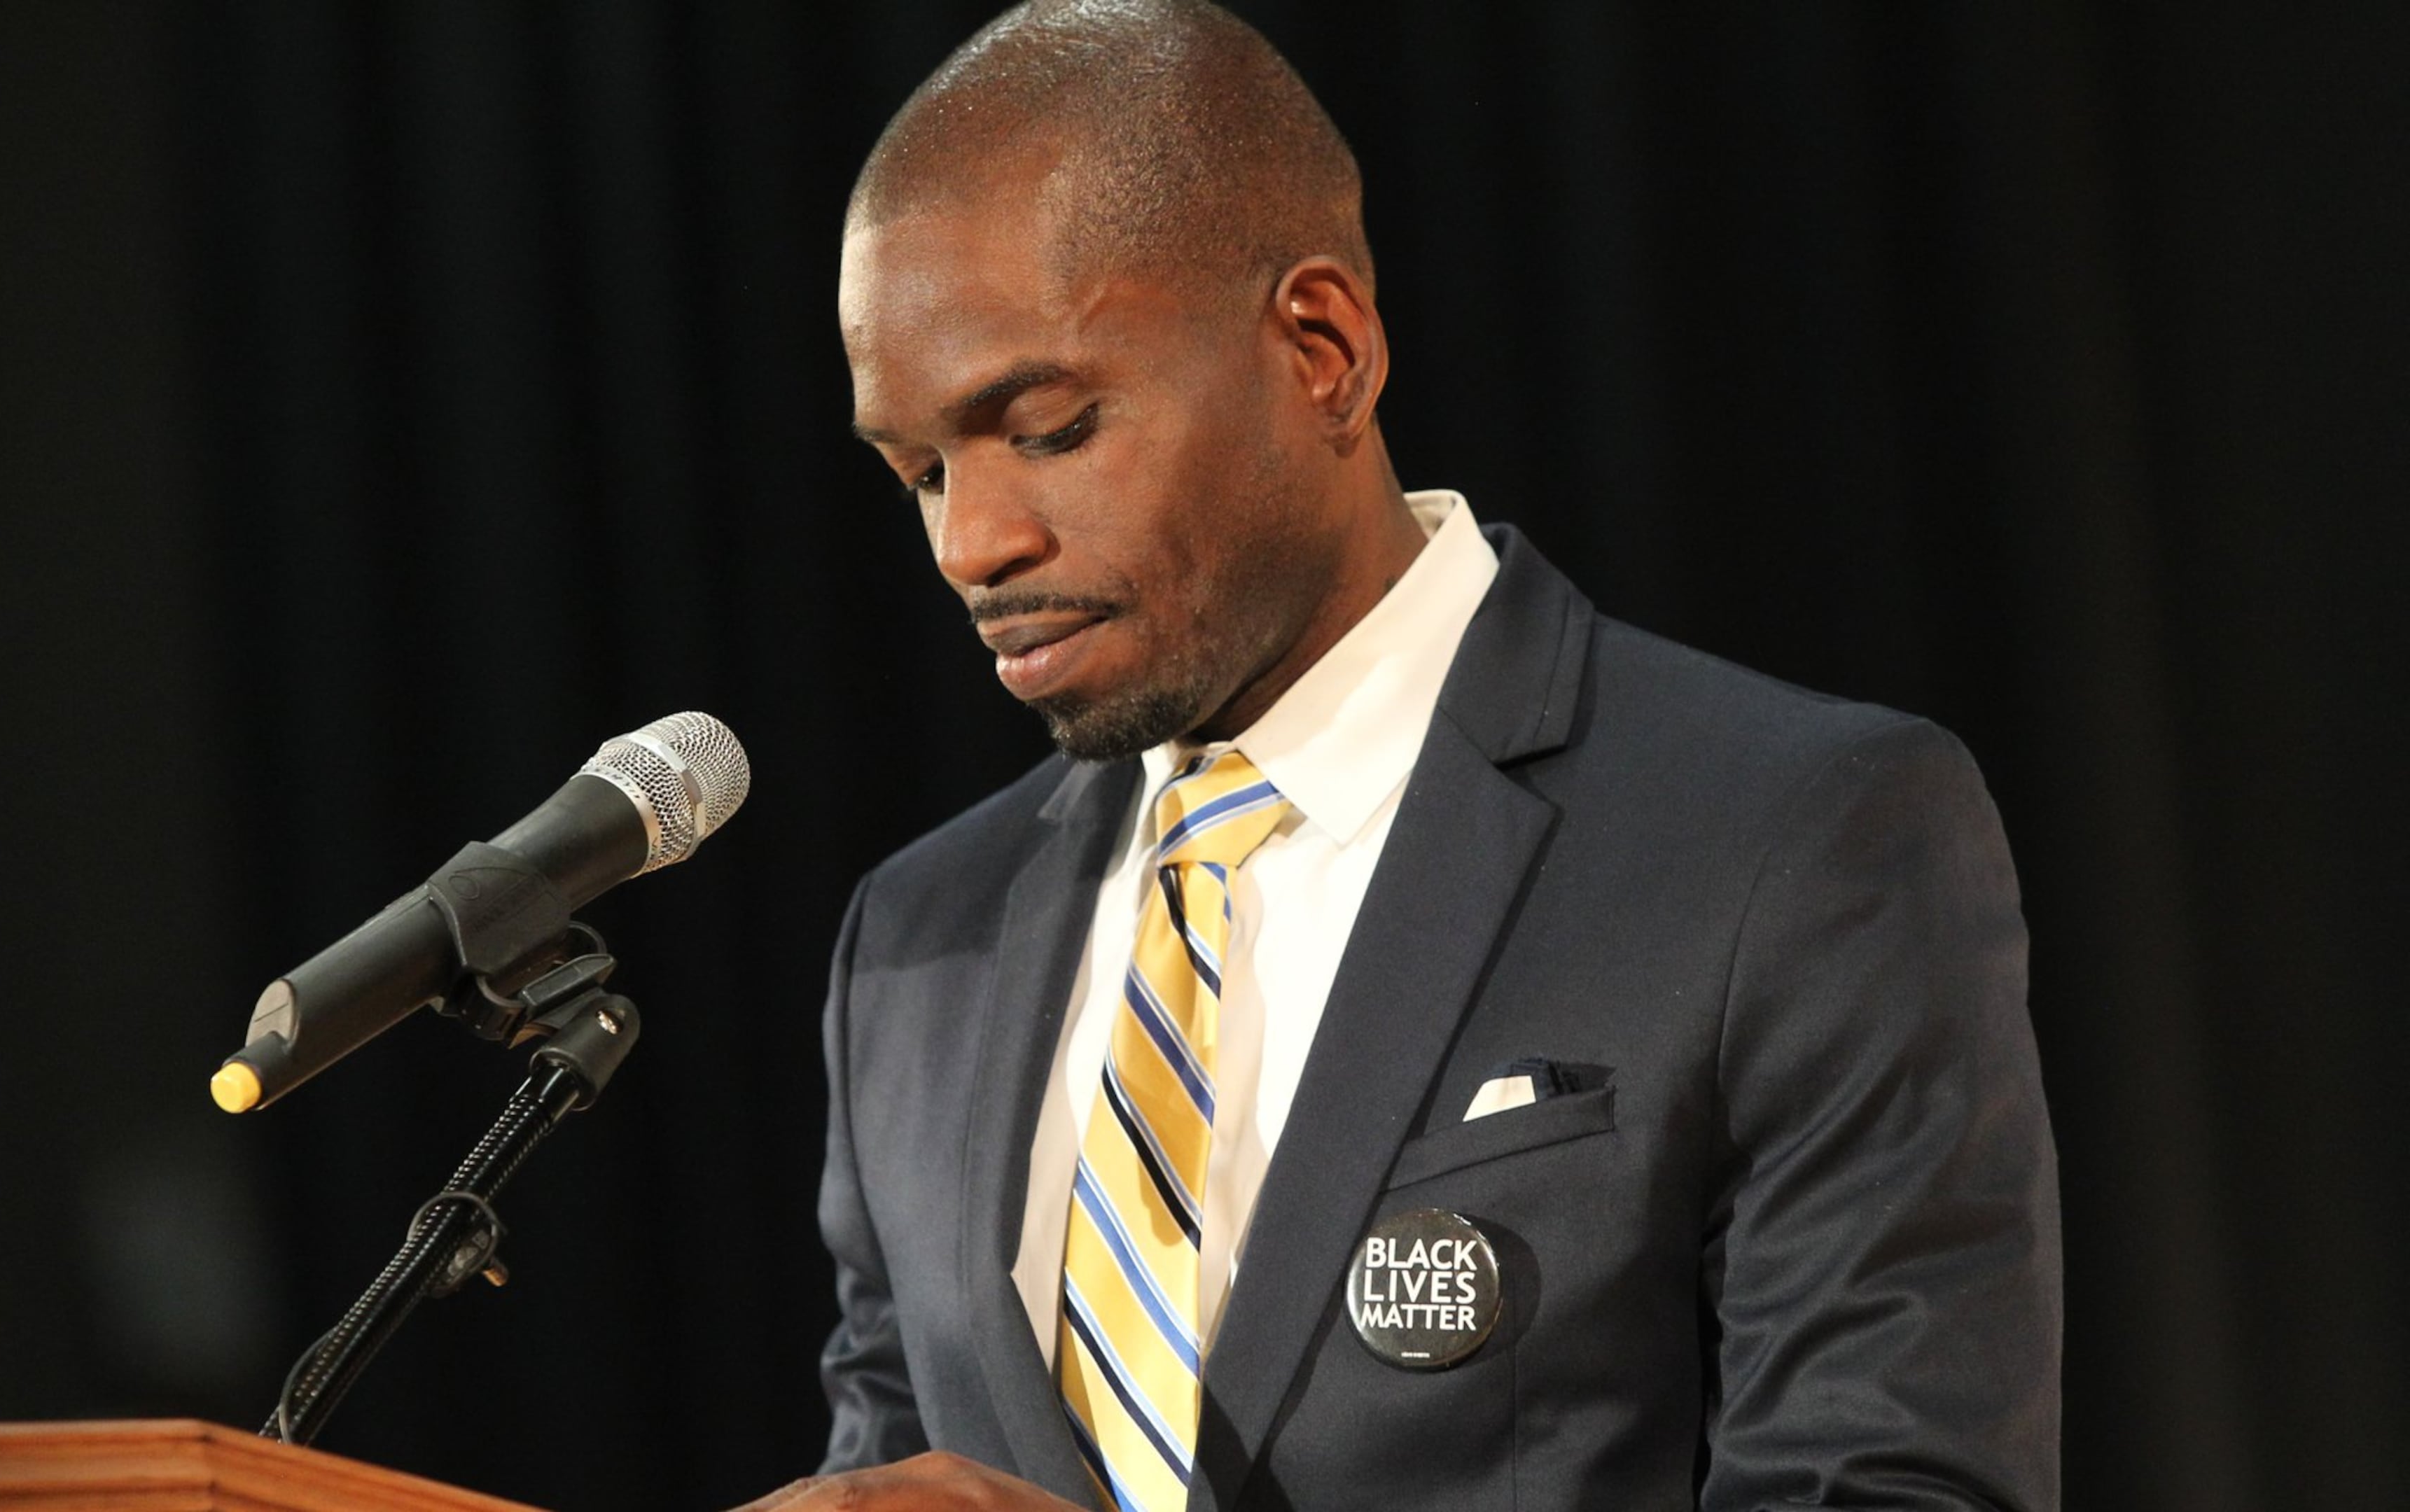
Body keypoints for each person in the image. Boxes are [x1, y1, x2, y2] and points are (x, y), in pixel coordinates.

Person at [744, 2, 2060, 1508]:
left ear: (1323, 350)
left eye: (1047, 426)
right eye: (917, 473)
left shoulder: (1792, 840)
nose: (975, 544)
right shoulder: (917, 950)